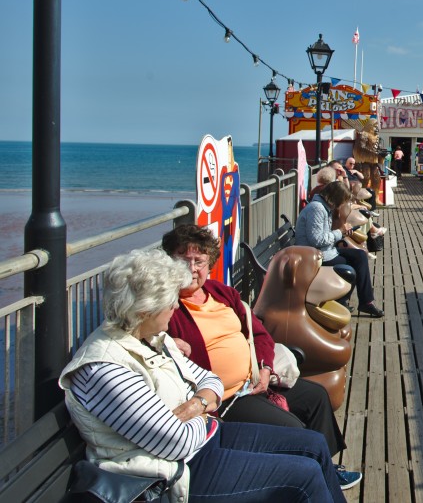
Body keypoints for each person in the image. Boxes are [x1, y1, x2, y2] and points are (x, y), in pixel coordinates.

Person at [59, 249, 347, 503]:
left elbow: (211, 380)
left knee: (314, 445)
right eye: (170, 300)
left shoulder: (152, 337)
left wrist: (194, 406)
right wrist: (204, 409)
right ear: (145, 309)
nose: (175, 306)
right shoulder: (105, 368)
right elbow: (176, 442)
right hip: (175, 472)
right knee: (304, 475)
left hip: (207, 438)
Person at [160, 225, 360, 491]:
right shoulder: (166, 306)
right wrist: (166, 343)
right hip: (226, 398)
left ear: (210, 264)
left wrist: (265, 368)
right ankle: (303, 482)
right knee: (292, 429)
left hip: (255, 377)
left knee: (316, 397)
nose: (192, 269)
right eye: (183, 261)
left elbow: (261, 335)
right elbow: (145, 340)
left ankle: (326, 469)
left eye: (199, 261)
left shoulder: (222, 294)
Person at [296, 179, 383, 317]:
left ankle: (366, 302)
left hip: (326, 251)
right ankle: (341, 301)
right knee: (352, 265)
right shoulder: (316, 209)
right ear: (335, 198)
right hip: (314, 256)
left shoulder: (323, 207)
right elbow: (316, 240)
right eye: (342, 201)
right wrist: (340, 232)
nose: (342, 205)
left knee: (360, 255)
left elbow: (322, 236)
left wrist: (341, 232)